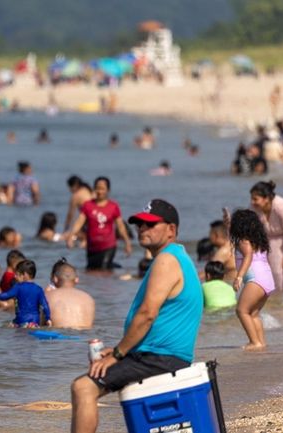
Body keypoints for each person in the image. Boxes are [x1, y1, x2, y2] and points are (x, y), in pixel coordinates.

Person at [71, 199, 202, 433]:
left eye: (150, 225)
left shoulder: (166, 260)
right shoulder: (177, 257)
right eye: (139, 224)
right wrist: (125, 349)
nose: (142, 229)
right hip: (158, 354)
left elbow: (147, 315)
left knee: (83, 387)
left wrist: (119, 354)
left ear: (172, 229)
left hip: (161, 357)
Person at [227, 208, 275, 351]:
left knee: (241, 310)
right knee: (253, 314)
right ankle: (261, 342)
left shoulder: (243, 241)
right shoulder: (257, 240)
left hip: (256, 278)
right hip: (267, 279)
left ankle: (255, 342)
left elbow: (248, 256)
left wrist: (239, 276)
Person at [66, 177, 132, 270]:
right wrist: (71, 236)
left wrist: (127, 242)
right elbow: (79, 222)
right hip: (91, 247)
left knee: (103, 271)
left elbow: (120, 226)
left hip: (108, 246)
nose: (99, 191)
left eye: (102, 188)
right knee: (90, 271)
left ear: (108, 190)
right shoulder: (88, 205)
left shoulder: (113, 206)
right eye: (97, 188)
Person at [0, 260, 51, 328]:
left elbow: (5, 296)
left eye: (17, 274)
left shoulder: (18, 287)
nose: (15, 276)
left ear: (25, 275)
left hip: (21, 321)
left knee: (8, 326)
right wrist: (48, 318)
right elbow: (45, 305)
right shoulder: (38, 289)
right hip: (35, 322)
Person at [250, 181, 283, 292]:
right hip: (268, 242)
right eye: (252, 199)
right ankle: (276, 302)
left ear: (266, 198)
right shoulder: (254, 208)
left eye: (255, 199)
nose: (252, 202)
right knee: (269, 273)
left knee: (281, 272)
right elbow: (251, 228)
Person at [44, 259, 95, 329]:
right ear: (77, 280)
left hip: (58, 338)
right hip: (84, 338)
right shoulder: (88, 298)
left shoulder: (47, 297)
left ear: (55, 279)